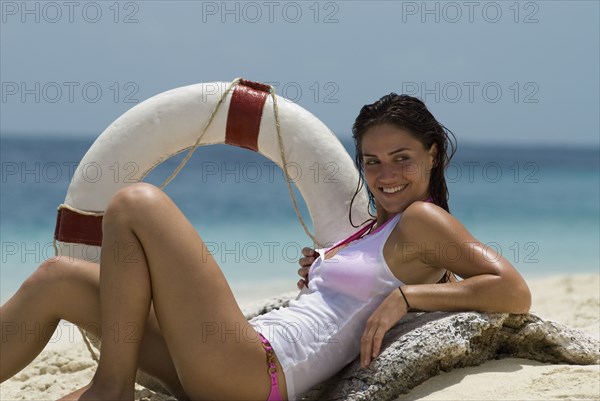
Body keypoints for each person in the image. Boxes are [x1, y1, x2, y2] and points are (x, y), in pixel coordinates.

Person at [0, 93, 531, 401]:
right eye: (371, 161)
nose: (385, 175)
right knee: (58, 278)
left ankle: (110, 389)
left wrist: (408, 298)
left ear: (433, 155)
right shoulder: (373, 229)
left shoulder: (423, 219)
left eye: (402, 158)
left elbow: (512, 290)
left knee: (135, 203)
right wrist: (328, 270)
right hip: (224, 366)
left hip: (258, 370)